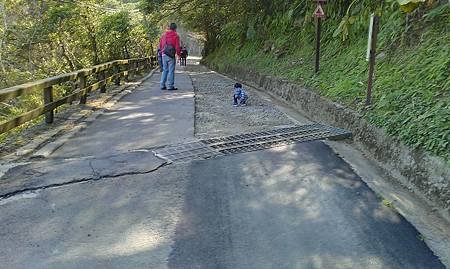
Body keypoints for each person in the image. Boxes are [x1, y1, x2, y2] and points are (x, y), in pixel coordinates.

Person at [159, 22, 181, 90]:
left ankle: (162, 85)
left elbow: (160, 45)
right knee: (171, 70)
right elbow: (177, 46)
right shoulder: (176, 35)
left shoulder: (164, 35)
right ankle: (170, 86)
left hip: (163, 54)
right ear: (175, 28)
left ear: (169, 27)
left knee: (165, 70)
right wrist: (178, 55)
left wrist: (161, 52)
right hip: (170, 55)